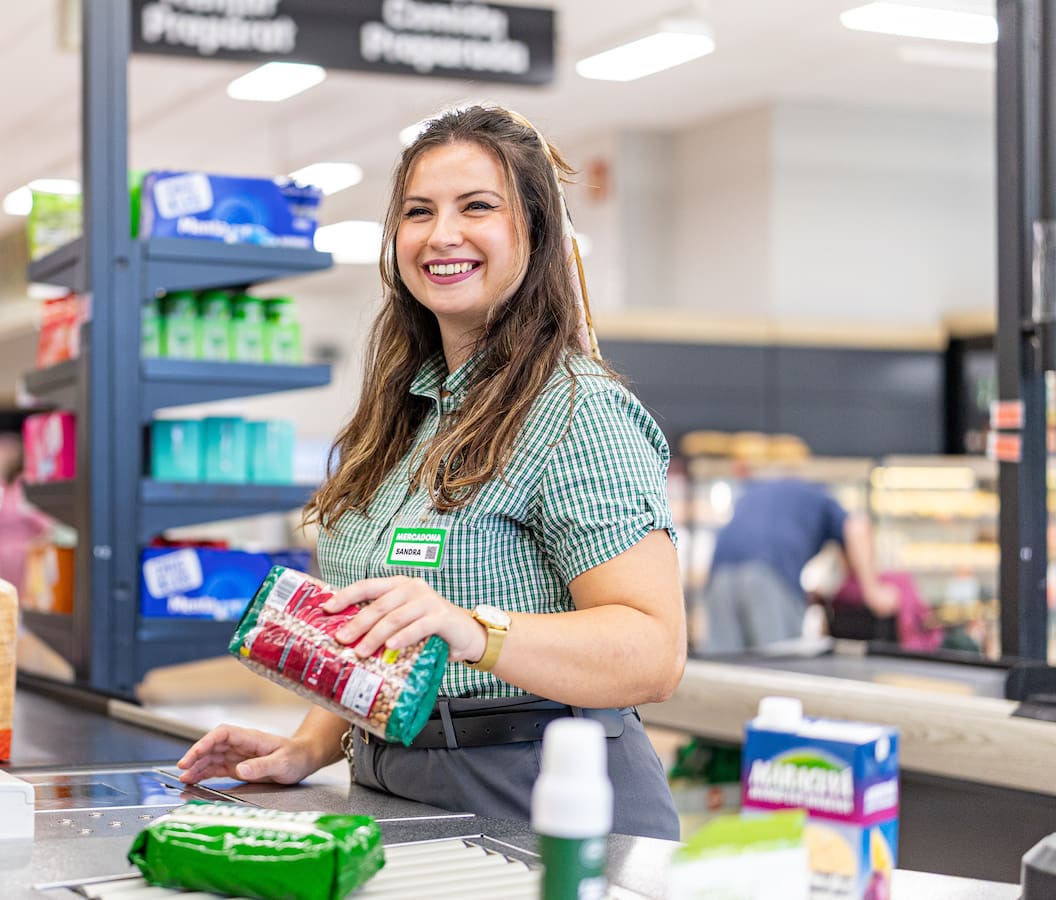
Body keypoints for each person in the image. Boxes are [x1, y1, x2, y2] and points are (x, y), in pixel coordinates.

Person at [178, 105, 687, 839]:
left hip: (543, 793)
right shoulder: (404, 416)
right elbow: (379, 639)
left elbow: (653, 652)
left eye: (477, 207)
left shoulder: (577, 411)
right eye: (419, 212)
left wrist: (472, 629)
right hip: (394, 783)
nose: (442, 234)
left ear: (536, 231)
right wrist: (309, 745)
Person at [697, 477, 899, 653]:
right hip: (767, 572)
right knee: (777, 666)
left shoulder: (763, 492)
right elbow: (857, 527)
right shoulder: (823, 500)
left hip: (719, 574)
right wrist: (873, 591)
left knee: (725, 665)